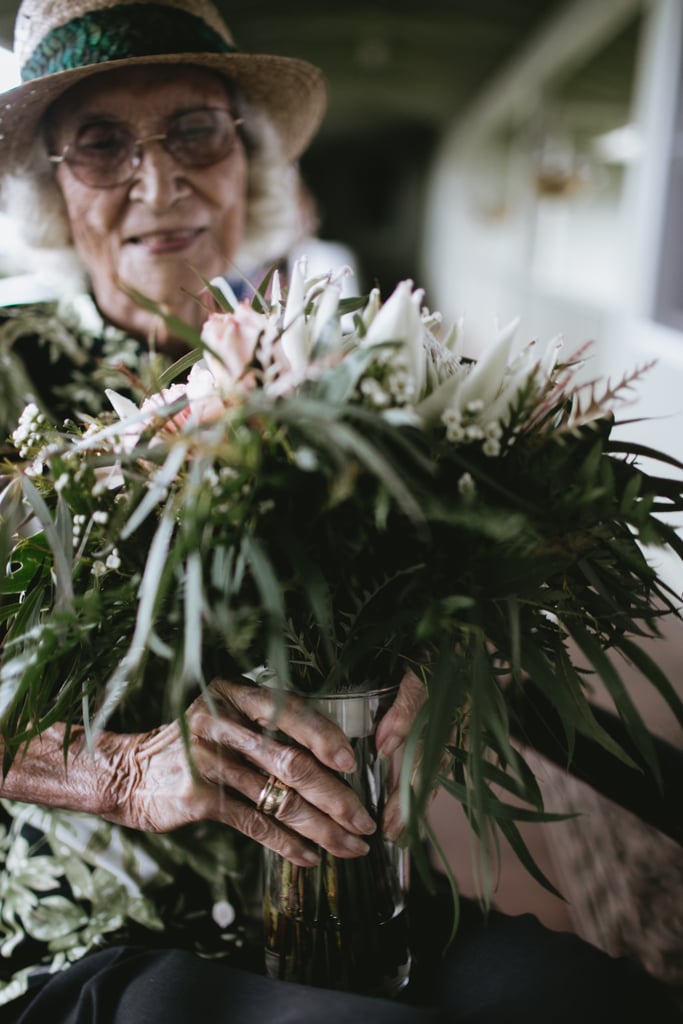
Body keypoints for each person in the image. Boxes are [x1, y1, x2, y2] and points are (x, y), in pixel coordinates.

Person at [0, 2, 680, 1022]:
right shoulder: (9, 372)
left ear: (248, 157)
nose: (162, 180)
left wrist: (446, 674)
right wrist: (123, 771)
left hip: (354, 889)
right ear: (57, 186)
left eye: (194, 130)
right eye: (101, 145)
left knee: (589, 1001)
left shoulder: (340, 363)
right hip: (102, 925)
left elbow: (446, 585)